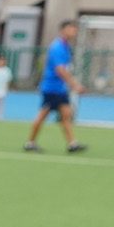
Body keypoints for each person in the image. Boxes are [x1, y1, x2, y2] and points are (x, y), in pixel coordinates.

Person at [25, 19, 85, 153]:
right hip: (52, 88)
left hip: (60, 88)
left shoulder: (65, 46)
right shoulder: (57, 47)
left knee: (66, 114)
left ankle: (72, 143)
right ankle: (30, 142)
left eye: (75, 29)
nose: (74, 32)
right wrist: (74, 85)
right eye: (71, 29)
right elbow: (60, 70)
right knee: (43, 115)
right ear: (63, 30)